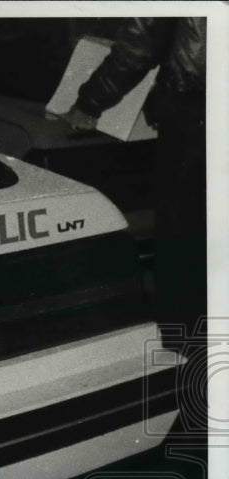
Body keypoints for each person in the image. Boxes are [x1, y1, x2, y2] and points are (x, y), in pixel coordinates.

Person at [62, 18, 206, 328]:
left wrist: (90, 103)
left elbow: (139, 45)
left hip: (195, 112)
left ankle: (184, 345)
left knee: (183, 237)